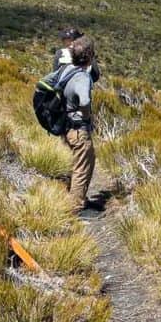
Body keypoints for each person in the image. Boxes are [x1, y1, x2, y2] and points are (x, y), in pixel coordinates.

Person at [60, 35, 100, 213]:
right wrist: (87, 116)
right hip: (78, 128)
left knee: (83, 162)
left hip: (67, 125)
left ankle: (75, 199)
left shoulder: (68, 70)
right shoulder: (82, 77)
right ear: (90, 56)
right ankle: (74, 209)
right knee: (82, 168)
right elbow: (84, 101)